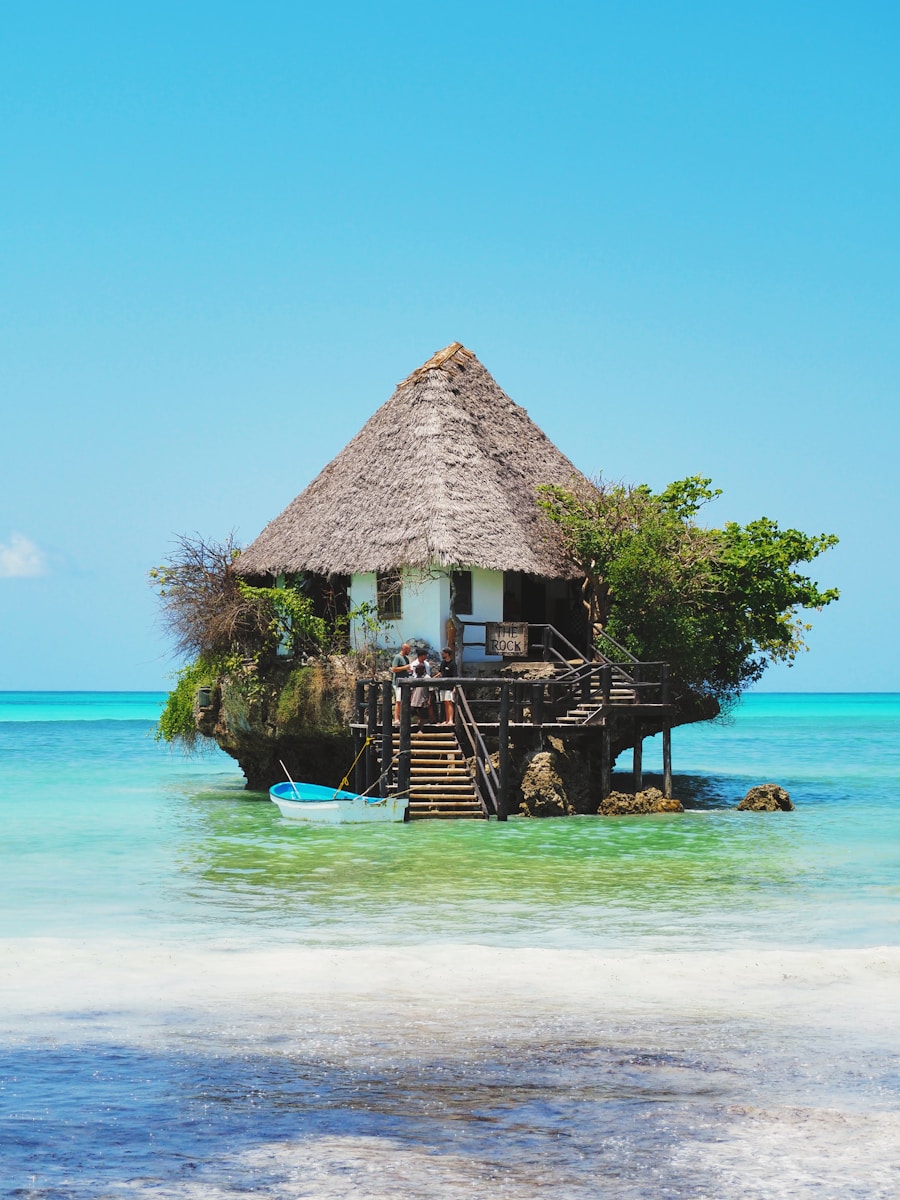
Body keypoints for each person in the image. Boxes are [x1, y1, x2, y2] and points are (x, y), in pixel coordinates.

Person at [409, 647, 432, 728]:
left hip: (423, 696)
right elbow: (412, 689)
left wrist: (429, 699)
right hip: (415, 697)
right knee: (413, 712)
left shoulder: (427, 667)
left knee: (422, 714)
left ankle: (429, 722)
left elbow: (430, 690)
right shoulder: (413, 666)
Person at [390, 642, 412, 723]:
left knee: (404, 700)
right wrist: (405, 667)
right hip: (398, 683)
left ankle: (403, 718)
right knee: (398, 701)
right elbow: (394, 669)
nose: (409, 651)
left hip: (405, 682)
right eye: (408, 649)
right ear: (404, 649)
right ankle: (396, 718)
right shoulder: (397, 657)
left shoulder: (406, 658)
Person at [437, 646, 458, 725]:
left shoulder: (453, 664)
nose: (442, 654)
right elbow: (440, 672)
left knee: (449, 702)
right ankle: (446, 719)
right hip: (442, 685)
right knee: (445, 702)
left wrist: (455, 687)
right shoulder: (443, 663)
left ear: (447, 654)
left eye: (443, 653)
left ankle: (450, 720)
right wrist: (433, 679)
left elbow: (455, 676)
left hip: (449, 686)